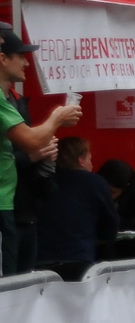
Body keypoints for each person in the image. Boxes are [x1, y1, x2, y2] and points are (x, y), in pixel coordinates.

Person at [1, 28, 79, 275]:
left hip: (18, 207)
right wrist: (56, 117)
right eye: (20, 55)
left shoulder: (10, 99)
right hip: (4, 206)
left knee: (17, 287)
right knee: (9, 290)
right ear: (3, 58)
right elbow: (31, 141)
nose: (26, 62)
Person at [35, 138, 117, 280]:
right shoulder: (95, 183)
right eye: (90, 158)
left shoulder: (40, 180)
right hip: (78, 258)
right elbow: (109, 229)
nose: (92, 163)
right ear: (81, 160)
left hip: (39, 258)